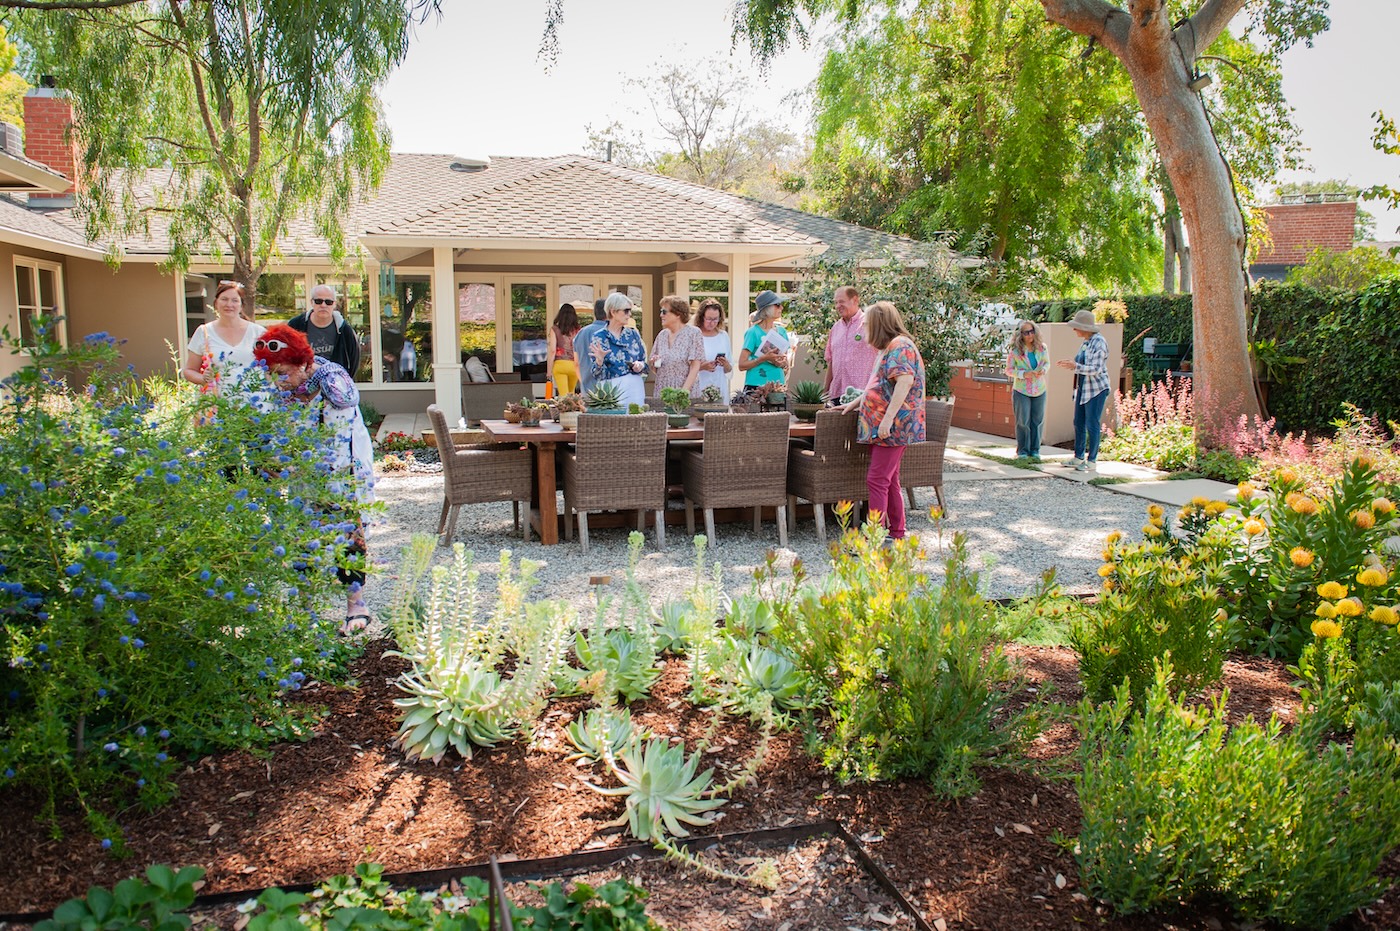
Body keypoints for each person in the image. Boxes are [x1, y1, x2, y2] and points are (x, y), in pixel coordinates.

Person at [253, 324, 375, 634]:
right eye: (272, 373)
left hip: (340, 474)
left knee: (347, 538)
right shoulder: (284, 388)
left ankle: (356, 605)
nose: (277, 381)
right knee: (299, 540)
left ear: (303, 363)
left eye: (282, 372)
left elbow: (338, 437)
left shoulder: (333, 381)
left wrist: (295, 464)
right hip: (303, 476)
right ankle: (304, 611)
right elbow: (275, 429)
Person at [841, 301, 926, 541]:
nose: (863, 329)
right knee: (889, 481)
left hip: (893, 428)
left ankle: (875, 536)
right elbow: (877, 385)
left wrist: (887, 421)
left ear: (878, 324)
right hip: (885, 427)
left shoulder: (900, 346)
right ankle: (896, 533)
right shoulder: (889, 348)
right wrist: (854, 403)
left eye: (866, 324)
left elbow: (904, 383)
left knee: (877, 479)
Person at [181, 280, 267, 398]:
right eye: (224, 299)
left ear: (241, 305)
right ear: (216, 303)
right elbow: (189, 370)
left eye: (235, 300)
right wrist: (203, 378)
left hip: (253, 406)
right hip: (216, 406)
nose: (229, 304)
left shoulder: (258, 332)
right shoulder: (204, 332)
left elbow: (274, 367)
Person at [1056, 309, 1110, 472]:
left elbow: (1096, 368)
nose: (1074, 330)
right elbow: (1082, 364)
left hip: (1096, 389)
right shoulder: (1086, 342)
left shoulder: (1099, 342)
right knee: (1078, 422)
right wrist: (1073, 365)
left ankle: (1092, 460)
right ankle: (1078, 457)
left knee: (1091, 423)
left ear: (1084, 328)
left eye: (1076, 327)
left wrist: (1076, 366)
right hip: (1083, 388)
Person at [587, 292, 648, 407]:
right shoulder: (600, 337)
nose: (629, 314)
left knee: (637, 420)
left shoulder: (633, 334)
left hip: (634, 387)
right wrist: (599, 362)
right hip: (611, 390)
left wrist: (640, 365)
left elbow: (644, 363)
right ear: (613, 312)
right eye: (626, 311)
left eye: (630, 311)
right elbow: (596, 374)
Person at [287, 283, 361, 377]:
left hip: (335, 384)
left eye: (328, 302)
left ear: (334, 304)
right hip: (303, 383)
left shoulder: (344, 329)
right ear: (311, 302)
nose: (323, 305)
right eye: (318, 301)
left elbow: (354, 357)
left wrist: (346, 381)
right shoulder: (296, 325)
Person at [823, 285, 879, 402]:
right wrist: (825, 392)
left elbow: (883, 356)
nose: (838, 306)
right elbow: (831, 362)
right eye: (836, 302)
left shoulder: (870, 324)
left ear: (855, 300)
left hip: (862, 395)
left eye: (842, 301)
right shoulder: (835, 328)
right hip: (837, 395)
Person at [1006, 319, 1049, 460]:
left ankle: (1035, 450)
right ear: (1020, 335)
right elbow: (1009, 370)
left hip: (1039, 389)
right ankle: (1023, 450)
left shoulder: (1042, 348)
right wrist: (1023, 374)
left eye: (1032, 331)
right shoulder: (1015, 352)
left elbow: (1047, 364)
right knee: (1023, 420)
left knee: (1037, 420)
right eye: (1026, 332)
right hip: (1022, 390)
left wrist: (1043, 370)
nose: (1030, 335)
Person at [650, 295, 705, 396]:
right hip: (663, 391)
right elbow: (655, 369)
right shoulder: (662, 335)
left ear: (678, 314)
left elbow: (695, 367)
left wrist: (683, 393)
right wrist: (654, 362)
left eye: (664, 312)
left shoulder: (693, 333)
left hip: (685, 391)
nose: (661, 315)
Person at [740, 290, 791, 390]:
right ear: (767, 308)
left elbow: (785, 362)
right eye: (777, 305)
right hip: (756, 386)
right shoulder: (753, 332)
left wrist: (782, 362)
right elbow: (741, 365)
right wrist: (763, 358)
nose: (781, 307)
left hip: (777, 386)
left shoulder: (782, 332)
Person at [694, 299, 733, 399]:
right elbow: (685, 367)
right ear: (701, 317)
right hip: (699, 387)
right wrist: (703, 367)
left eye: (715, 319)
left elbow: (729, 369)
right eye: (709, 319)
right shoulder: (694, 335)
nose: (712, 323)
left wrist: (726, 364)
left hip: (719, 386)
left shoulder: (723, 336)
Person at [547, 301, 584, 395]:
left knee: (563, 395)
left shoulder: (555, 329)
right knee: (571, 394)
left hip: (560, 365)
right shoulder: (578, 330)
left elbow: (552, 351)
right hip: (574, 365)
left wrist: (549, 372)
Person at [574, 299, 609, 395]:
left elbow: (576, 363)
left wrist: (583, 382)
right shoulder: (612, 331)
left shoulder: (581, 333)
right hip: (611, 389)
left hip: (587, 387)